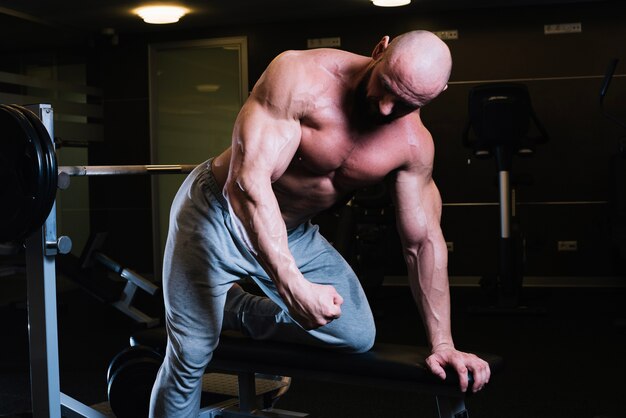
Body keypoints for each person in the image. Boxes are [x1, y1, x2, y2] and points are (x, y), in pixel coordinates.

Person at [150, 30, 491, 418]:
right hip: (217, 213)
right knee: (191, 354)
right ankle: (207, 318)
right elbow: (246, 184)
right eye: (385, 86)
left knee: (354, 333)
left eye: (405, 103)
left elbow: (423, 243)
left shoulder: (413, 145)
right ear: (379, 49)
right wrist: (292, 285)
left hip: (293, 230)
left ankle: (235, 310)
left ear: (438, 93)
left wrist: (443, 344)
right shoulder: (299, 76)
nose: (384, 108)